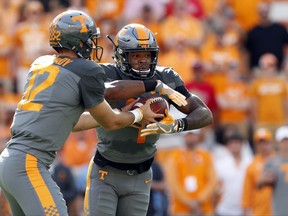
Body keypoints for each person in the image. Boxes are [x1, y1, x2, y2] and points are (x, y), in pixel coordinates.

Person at [0, 10, 171, 216]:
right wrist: (139, 114)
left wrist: (117, 111)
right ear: (78, 42)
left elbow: (73, 121)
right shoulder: (86, 69)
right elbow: (111, 123)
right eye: (90, 39)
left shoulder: (40, 64)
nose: (92, 44)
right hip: (29, 165)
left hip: (8, 162)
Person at [84, 23, 213, 216]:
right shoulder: (107, 73)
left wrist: (176, 125)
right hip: (106, 172)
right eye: (136, 55)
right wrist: (153, 85)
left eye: (147, 55)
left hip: (141, 174)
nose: (143, 61)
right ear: (121, 56)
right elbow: (110, 90)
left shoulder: (167, 76)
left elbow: (204, 114)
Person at [166, 129, 217, 216]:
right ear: (184, 137)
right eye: (188, 135)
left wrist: (200, 200)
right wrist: (188, 201)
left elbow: (212, 181)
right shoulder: (175, 156)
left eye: (193, 135)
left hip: (204, 208)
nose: (190, 137)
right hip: (181, 208)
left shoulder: (206, 156)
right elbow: (173, 182)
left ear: (197, 136)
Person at [242, 127, 274, 216]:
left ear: (271, 143)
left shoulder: (279, 161)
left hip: (278, 209)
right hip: (258, 211)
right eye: (260, 143)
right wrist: (247, 210)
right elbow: (247, 191)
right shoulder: (251, 165)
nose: (263, 146)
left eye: (265, 142)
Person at [257, 125, 288, 216]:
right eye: (283, 140)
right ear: (278, 142)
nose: (286, 143)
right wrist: (264, 180)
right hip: (280, 210)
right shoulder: (271, 162)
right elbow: (258, 184)